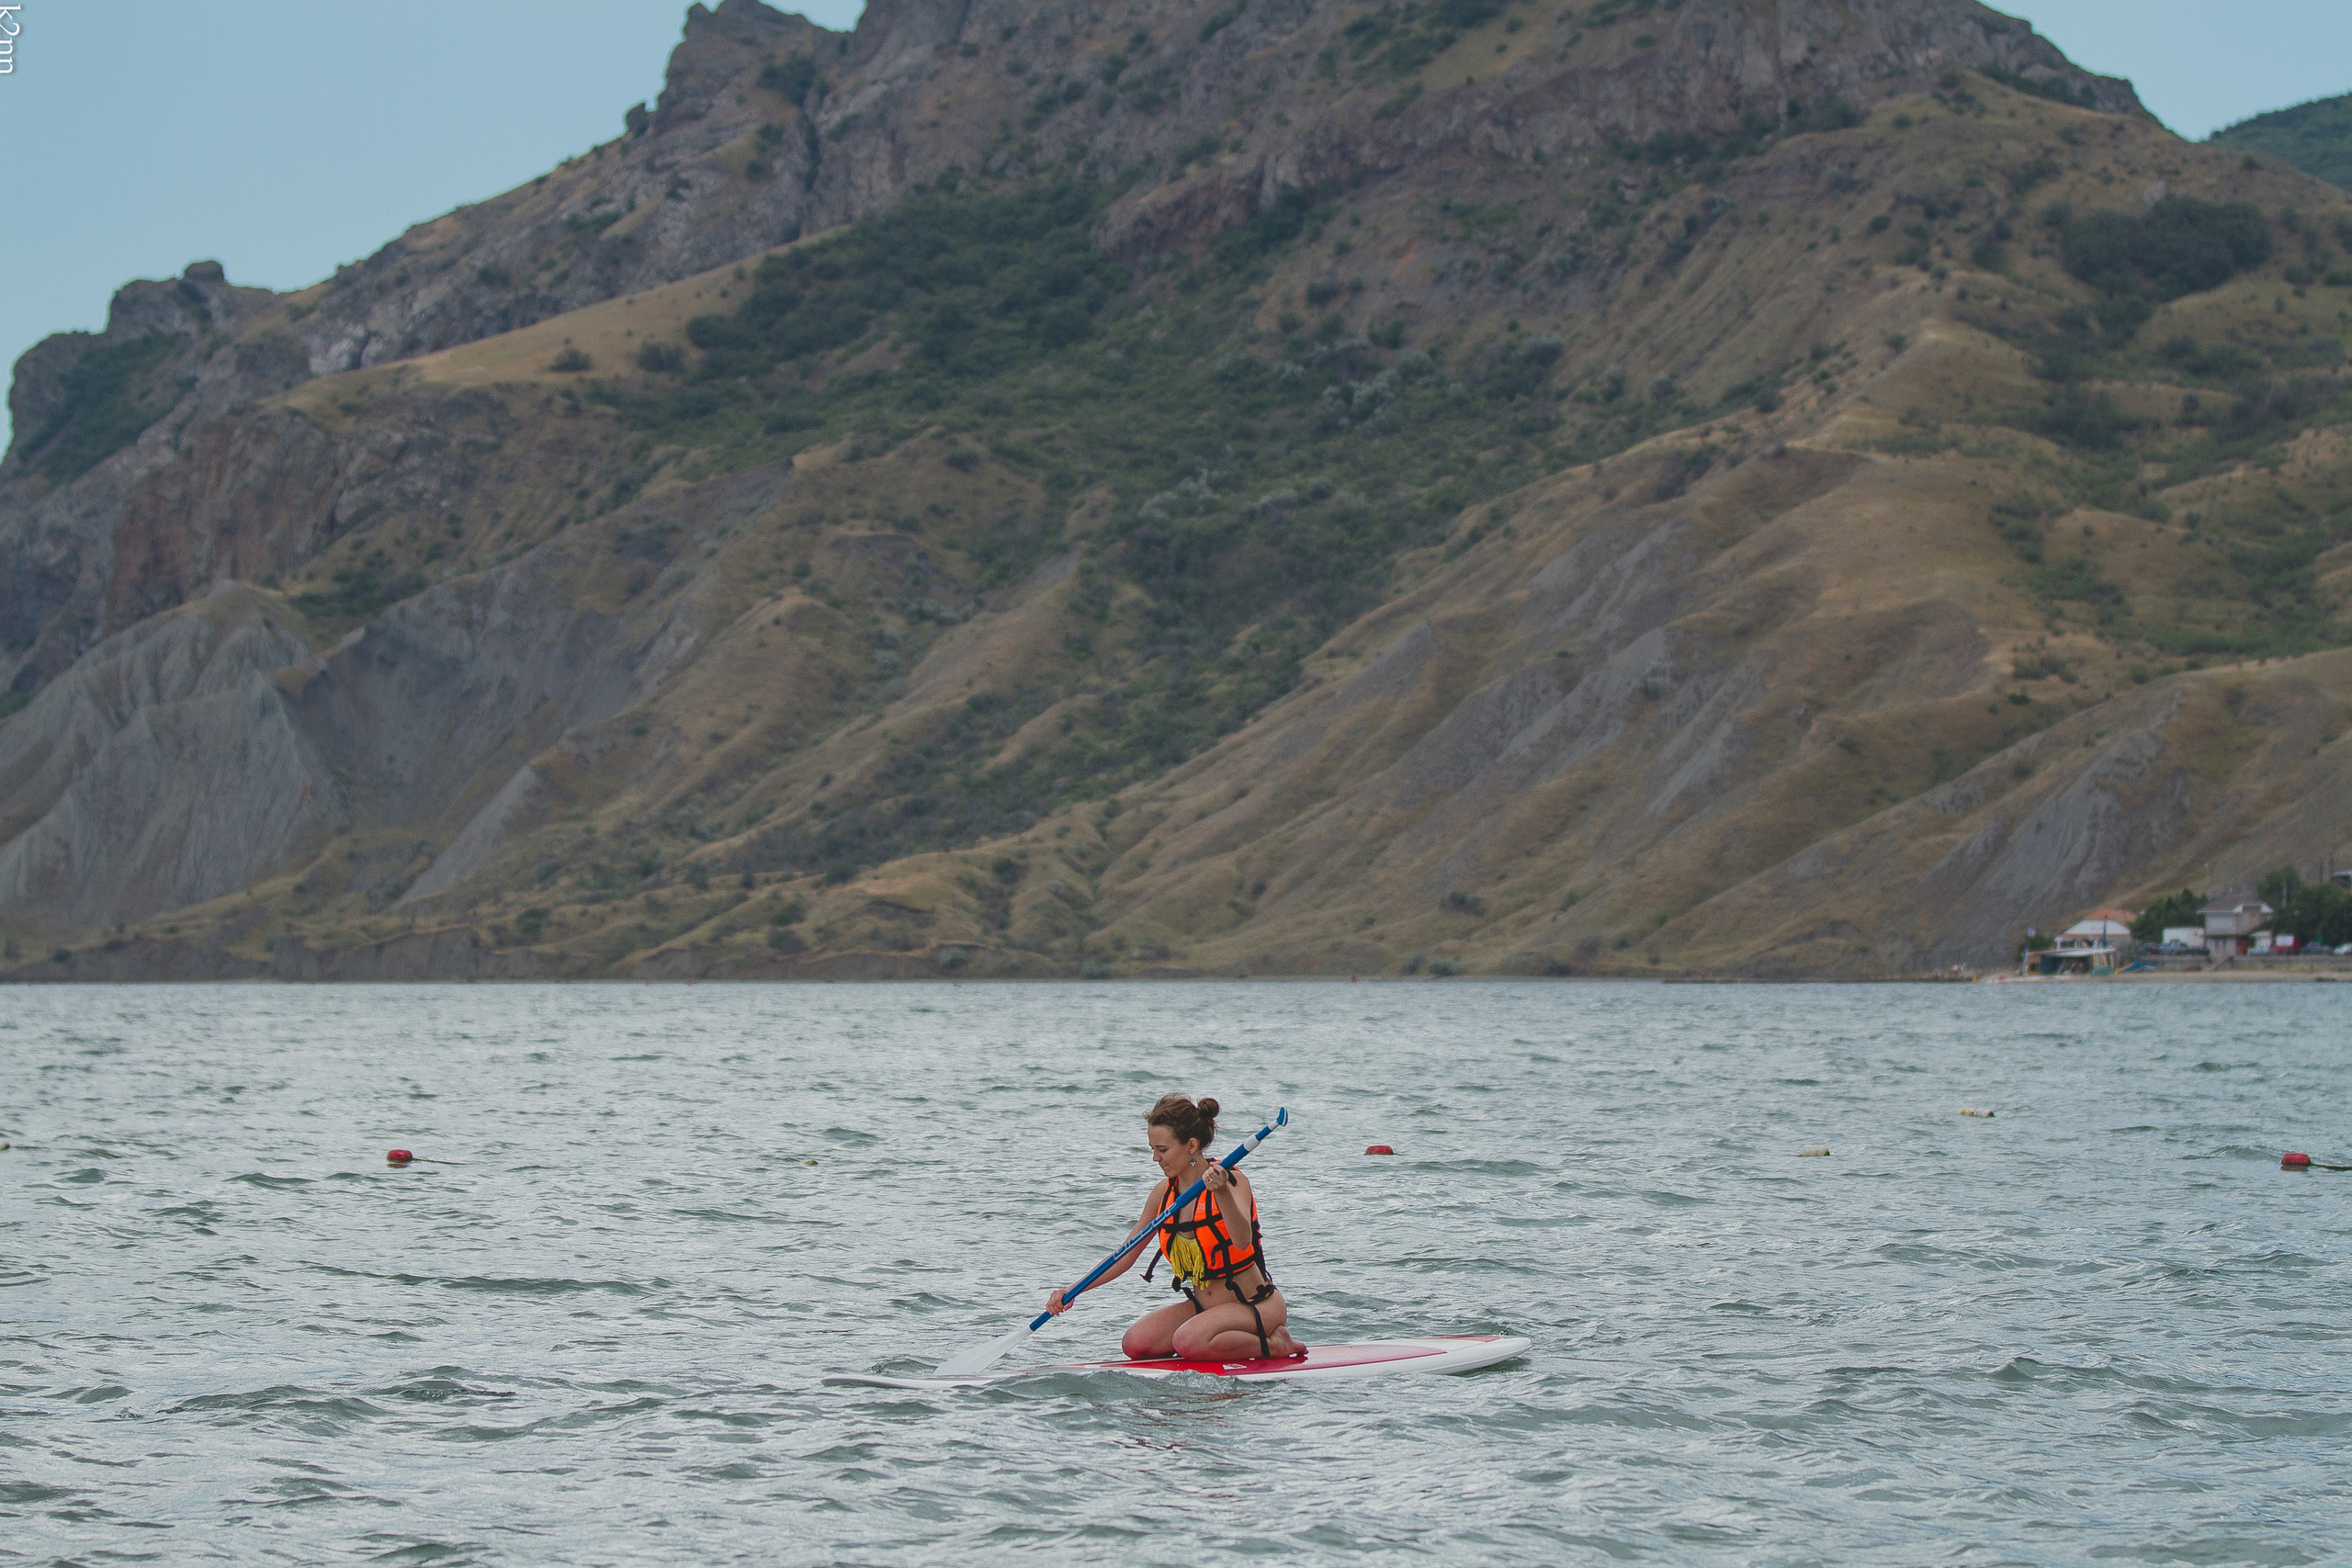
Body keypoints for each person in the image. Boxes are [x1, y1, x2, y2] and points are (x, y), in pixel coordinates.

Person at [1044, 1094, 1303, 1360]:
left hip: (1254, 1304)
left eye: (1163, 1150)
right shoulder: (1162, 1194)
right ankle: (1209, 1340)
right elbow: (1125, 1255)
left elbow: (1242, 1241)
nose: (1155, 1158)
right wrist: (1072, 1290)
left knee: (1187, 1341)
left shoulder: (1233, 1180)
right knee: (1135, 1344)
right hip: (1205, 1308)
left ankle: (1276, 1345)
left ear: (1191, 1145)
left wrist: (1222, 1192)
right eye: (1152, 1149)